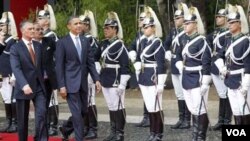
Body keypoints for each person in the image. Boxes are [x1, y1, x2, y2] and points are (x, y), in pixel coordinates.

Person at [56, 16, 101, 141]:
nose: (79, 25)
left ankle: (66, 128)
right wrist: (62, 86)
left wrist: (96, 79)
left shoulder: (85, 41)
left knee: (83, 111)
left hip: (83, 83)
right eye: (76, 23)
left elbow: (90, 62)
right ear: (69, 26)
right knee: (76, 114)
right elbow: (59, 66)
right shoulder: (62, 42)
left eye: (80, 23)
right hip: (70, 84)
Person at [175, 7, 212, 141]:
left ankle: (200, 137)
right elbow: (177, 54)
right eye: (184, 23)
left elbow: (207, 62)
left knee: (200, 109)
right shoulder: (184, 39)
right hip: (186, 77)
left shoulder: (202, 41)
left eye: (188, 23)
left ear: (195, 24)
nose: (185, 25)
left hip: (198, 78)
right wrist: (179, 63)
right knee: (192, 108)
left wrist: (205, 83)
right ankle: (195, 135)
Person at [10, 20, 48, 141]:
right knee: (22, 120)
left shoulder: (38, 46)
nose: (33, 31)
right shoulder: (15, 48)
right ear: (22, 31)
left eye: (34, 29)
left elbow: (42, 66)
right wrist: (24, 84)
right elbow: (16, 68)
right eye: (30, 29)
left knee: (42, 115)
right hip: (23, 87)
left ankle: (41, 139)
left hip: (39, 87)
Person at [95, 11, 130, 141]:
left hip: (116, 80)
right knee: (111, 106)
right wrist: (97, 66)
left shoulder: (120, 45)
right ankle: (113, 131)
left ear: (115, 29)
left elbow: (125, 66)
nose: (105, 30)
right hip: (105, 78)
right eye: (104, 28)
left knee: (118, 106)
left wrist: (122, 84)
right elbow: (95, 58)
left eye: (108, 28)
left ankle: (120, 134)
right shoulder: (104, 43)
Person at [215, 5, 250, 125]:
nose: (229, 24)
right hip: (229, 79)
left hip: (241, 81)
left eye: (233, 22)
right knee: (236, 110)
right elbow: (219, 55)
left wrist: (245, 85)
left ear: (239, 24)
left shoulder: (245, 41)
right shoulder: (228, 39)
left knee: (244, 110)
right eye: (228, 22)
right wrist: (222, 67)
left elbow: (248, 65)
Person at [136, 6, 167, 141]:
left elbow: (161, 64)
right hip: (144, 76)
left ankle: (158, 134)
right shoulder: (142, 41)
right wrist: (137, 64)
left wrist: (161, 83)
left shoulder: (157, 43)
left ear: (153, 28)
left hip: (154, 76)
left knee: (156, 107)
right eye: (144, 27)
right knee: (150, 107)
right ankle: (152, 133)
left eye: (148, 27)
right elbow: (138, 56)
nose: (145, 29)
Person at [164, 3, 191, 129]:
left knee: (186, 93)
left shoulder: (186, 33)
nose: (175, 20)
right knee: (179, 93)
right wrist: (167, 51)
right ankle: (181, 118)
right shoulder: (173, 31)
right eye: (175, 18)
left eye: (178, 18)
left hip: (183, 65)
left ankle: (187, 119)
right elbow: (166, 43)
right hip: (174, 65)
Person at [206, 8, 232, 130]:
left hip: (223, 66)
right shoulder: (216, 32)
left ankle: (227, 121)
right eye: (217, 16)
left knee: (227, 94)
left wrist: (217, 56)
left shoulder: (229, 33)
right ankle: (221, 120)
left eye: (220, 16)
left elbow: (226, 50)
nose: (217, 18)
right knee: (222, 94)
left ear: (227, 18)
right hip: (214, 66)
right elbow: (206, 40)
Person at [37, 4, 59, 136]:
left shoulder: (51, 35)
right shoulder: (40, 34)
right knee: (45, 101)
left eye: (41, 17)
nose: (38, 19)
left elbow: (57, 56)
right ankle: (45, 124)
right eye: (38, 17)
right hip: (41, 73)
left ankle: (53, 125)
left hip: (51, 72)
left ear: (47, 20)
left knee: (52, 100)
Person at [79, 10, 100, 140]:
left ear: (88, 26)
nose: (80, 26)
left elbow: (92, 57)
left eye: (83, 24)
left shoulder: (90, 39)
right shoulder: (81, 38)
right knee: (84, 100)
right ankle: (86, 127)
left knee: (90, 100)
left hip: (90, 70)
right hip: (82, 71)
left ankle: (93, 128)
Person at [129, 11, 150, 128]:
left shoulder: (148, 36)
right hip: (138, 67)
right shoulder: (138, 34)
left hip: (146, 68)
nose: (140, 21)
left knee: (148, 93)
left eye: (142, 19)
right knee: (144, 93)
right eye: (140, 19)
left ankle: (149, 117)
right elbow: (133, 45)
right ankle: (146, 116)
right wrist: (132, 52)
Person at [0, 11, 18, 133]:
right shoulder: (2, 38)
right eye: (0, 25)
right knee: (5, 98)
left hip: (9, 73)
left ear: (9, 26)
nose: (1, 27)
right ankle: (9, 121)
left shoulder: (12, 40)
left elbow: (13, 59)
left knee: (12, 98)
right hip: (1, 73)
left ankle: (15, 123)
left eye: (3, 25)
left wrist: (14, 74)